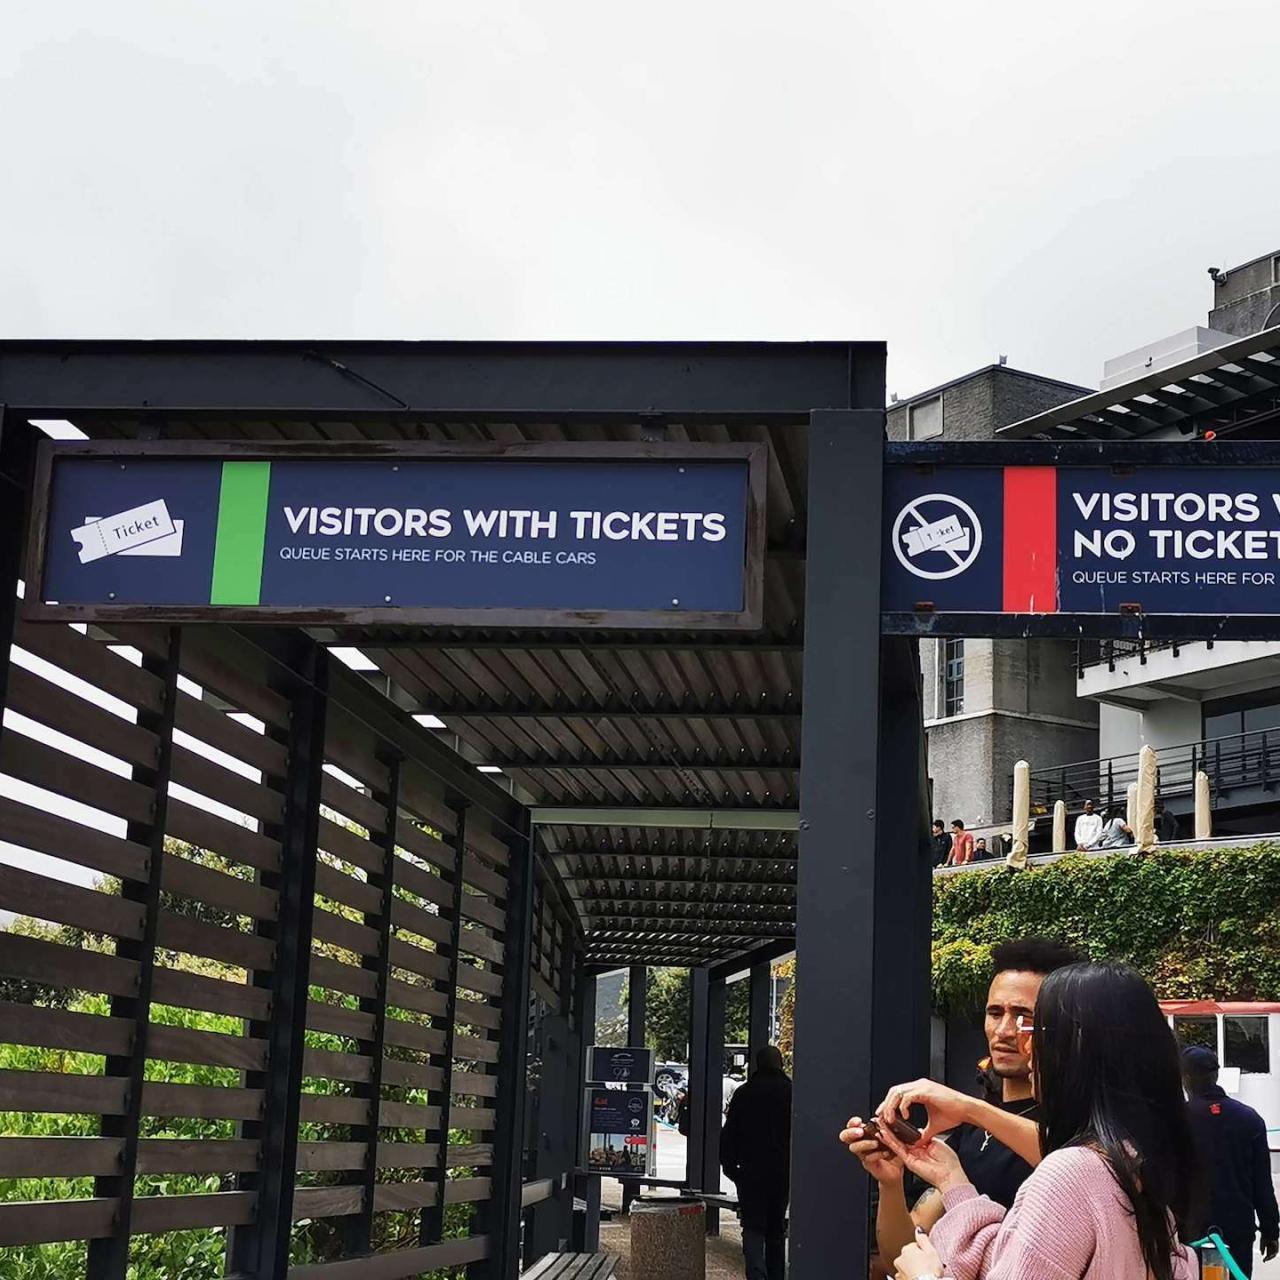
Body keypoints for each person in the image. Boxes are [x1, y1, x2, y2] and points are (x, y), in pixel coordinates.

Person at [878, 962, 1201, 1280]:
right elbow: (1026, 1257)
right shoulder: (1133, 1161)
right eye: (994, 1013)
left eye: (1033, 1026)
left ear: (1080, 1046)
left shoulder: (1071, 1171)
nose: (1022, 1042)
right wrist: (951, 1180)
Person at [840, 938, 1081, 1269]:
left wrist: (969, 1108)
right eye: (995, 1013)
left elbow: (1081, 1167)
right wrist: (890, 1182)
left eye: (1024, 1016)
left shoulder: (1079, 1126)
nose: (1005, 1031)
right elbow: (903, 1254)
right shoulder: (969, 1133)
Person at [1182, 1045, 1279, 1277]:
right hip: (1238, 1232)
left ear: (1186, 1079)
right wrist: (1270, 1230)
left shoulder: (1177, 1120)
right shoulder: (1250, 1119)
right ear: (1216, 1075)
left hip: (1191, 1233)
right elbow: (1262, 1183)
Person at [721, 1045, 791, 1280]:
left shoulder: (744, 1093)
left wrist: (730, 1167)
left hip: (750, 1172)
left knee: (752, 1227)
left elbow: (729, 1134)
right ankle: (777, 1275)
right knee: (776, 1228)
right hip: (782, 1171)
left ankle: (756, 1275)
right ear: (780, 1063)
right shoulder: (792, 1092)